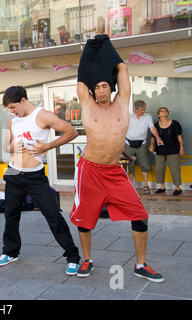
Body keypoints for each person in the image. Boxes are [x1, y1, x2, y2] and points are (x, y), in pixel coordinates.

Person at [71, 34, 164, 282]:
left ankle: (141, 264)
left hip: (113, 171)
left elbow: (121, 68)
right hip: (89, 170)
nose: (101, 90)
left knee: (140, 215)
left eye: (105, 86)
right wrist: (89, 50)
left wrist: (107, 46)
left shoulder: (123, 103)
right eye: (97, 86)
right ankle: (87, 259)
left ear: (111, 88)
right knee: (85, 218)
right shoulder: (87, 105)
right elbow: (82, 79)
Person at [0, 86, 81, 275]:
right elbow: (5, 146)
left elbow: (72, 132)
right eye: (9, 109)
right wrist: (13, 147)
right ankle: (10, 252)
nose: (11, 111)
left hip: (35, 175)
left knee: (53, 215)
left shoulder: (43, 116)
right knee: (10, 214)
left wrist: (47, 146)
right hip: (13, 172)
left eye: (13, 107)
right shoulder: (13, 121)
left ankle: (73, 257)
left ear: (24, 100)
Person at [125, 100, 163, 194]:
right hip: (128, 143)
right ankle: (131, 185)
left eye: (144, 109)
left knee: (144, 164)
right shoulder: (128, 117)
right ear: (136, 109)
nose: (143, 111)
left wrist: (158, 137)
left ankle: (146, 185)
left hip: (142, 144)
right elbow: (122, 130)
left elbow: (152, 128)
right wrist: (122, 145)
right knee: (130, 165)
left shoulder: (147, 117)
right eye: (142, 110)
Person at [150, 107, 185, 196]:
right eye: (162, 111)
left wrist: (181, 148)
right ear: (158, 115)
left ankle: (177, 188)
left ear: (168, 113)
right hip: (160, 150)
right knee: (160, 169)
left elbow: (180, 137)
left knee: (175, 169)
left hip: (173, 150)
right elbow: (153, 137)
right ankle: (162, 187)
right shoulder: (156, 125)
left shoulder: (174, 123)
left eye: (166, 111)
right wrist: (151, 146)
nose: (164, 112)